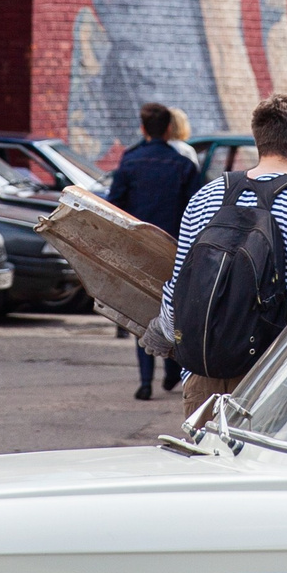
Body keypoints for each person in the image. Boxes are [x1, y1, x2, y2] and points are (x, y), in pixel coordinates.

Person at [161, 93, 287, 417]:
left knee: (207, 467)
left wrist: (189, 371)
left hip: (204, 383)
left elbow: (176, 296)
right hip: (284, 384)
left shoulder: (206, 197)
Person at [106, 102, 200, 401]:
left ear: (143, 128)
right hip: (174, 248)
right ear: (170, 129)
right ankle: (172, 371)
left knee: (142, 311)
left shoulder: (130, 161)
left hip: (139, 247)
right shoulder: (183, 164)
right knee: (172, 308)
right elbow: (196, 208)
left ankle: (145, 382)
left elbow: (114, 204)